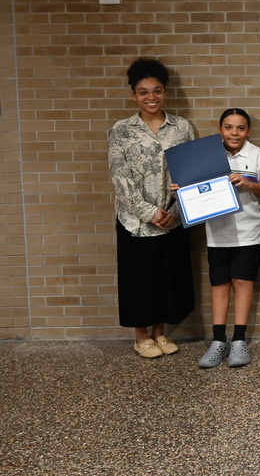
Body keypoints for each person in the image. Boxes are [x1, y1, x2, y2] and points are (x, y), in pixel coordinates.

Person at [108, 58, 196, 359]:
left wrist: (175, 213)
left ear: (166, 93)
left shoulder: (182, 128)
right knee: (139, 279)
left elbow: (193, 174)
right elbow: (120, 177)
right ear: (134, 95)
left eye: (157, 90)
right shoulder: (122, 131)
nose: (151, 97)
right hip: (136, 221)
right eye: (143, 92)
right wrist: (149, 213)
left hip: (172, 218)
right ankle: (141, 335)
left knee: (166, 279)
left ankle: (159, 332)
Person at [195, 109, 260, 369]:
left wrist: (248, 184)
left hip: (250, 230)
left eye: (240, 128)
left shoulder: (258, 155)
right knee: (219, 284)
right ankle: (218, 341)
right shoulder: (208, 157)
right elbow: (196, 188)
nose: (234, 133)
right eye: (228, 127)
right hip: (217, 232)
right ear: (220, 130)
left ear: (248, 131)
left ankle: (239, 340)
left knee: (242, 282)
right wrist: (182, 189)